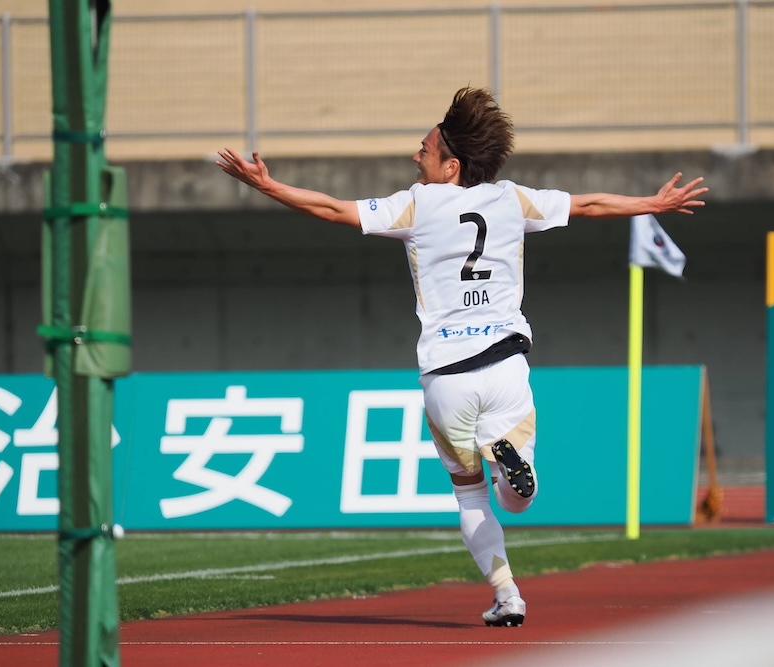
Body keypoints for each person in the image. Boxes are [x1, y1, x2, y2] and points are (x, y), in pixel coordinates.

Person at [217, 86, 707, 628]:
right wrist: (653, 204)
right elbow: (589, 204)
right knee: (518, 499)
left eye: (424, 150)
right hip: (505, 365)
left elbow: (333, 210)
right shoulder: (511, 199)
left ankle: (508, 595)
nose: (416, 156)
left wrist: (267, 185)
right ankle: (512, 471)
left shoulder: (415, 204)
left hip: (446, 376)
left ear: (451, 167)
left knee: (470, 498)